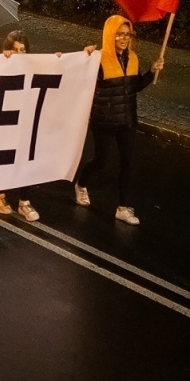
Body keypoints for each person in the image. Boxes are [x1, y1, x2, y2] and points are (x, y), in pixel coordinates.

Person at [75, 15, 162, 225]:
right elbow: (79, 80)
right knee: (101, 162)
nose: (124, 39)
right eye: (119, 35)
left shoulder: (132, 58)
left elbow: (135, 87)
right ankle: (81, 184)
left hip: (127, 120)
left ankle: (122, 208)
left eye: (127, 34)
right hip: (104, 121)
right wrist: (83, 58)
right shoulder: (98, 59)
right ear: (110, 36)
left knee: (129, 163)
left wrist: (151, 73)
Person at [0, 28, 42, 223]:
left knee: (26, 159)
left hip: (25, 118)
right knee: (6, 158)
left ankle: (24, 201)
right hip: (7, 120)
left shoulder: (32, 66)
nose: (19, 54)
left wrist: (59, 61)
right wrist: (3, 61)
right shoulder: (3, 64)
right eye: (15, 49)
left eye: (23, 50)